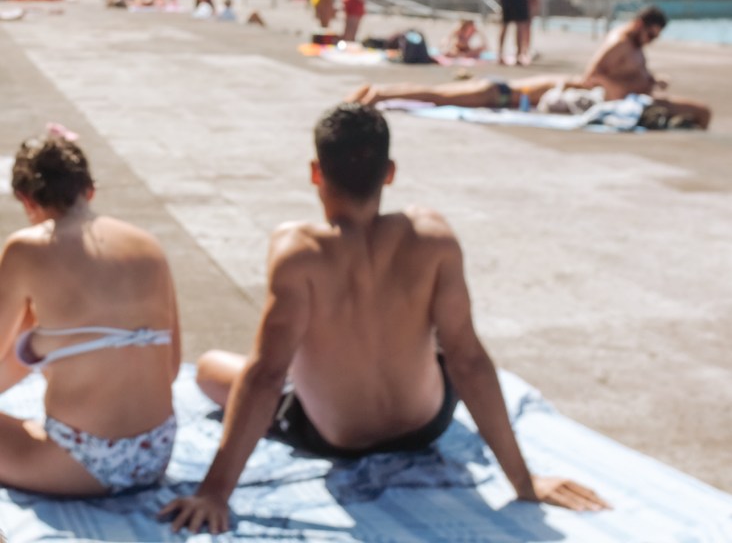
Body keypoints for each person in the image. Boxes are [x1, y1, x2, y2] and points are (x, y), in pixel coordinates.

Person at [161, 104, 607, 533]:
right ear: (389, 172)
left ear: (316, 172)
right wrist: (524, 482)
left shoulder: (299, 252)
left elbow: (265, 375)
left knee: (211, 368)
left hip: (338, 437)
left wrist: (215, 492)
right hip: (426, 423)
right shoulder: (433, 236)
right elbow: (468, 359)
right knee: (438, 334)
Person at [0, 130, 180, 494]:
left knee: (33, 327)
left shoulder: (27, 249)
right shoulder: (147, 243)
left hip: (81, 461)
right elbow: (172, 365)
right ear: (90, 190)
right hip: (155, 452)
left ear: (26, 199)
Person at [347, 7, 711, 129]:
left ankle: (380, 94)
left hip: (513, 96)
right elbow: (592, 75)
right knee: (440, 96)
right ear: (641, 24)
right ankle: (379, 93)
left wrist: (648, 79)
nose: (652, 40)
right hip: (508, 96)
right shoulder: (619, 43)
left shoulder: (633, 46)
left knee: (441, 96)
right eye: (651, 34)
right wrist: (624, 84)